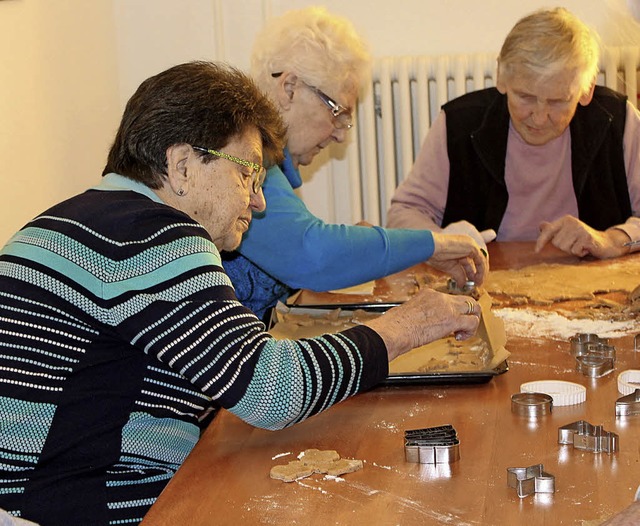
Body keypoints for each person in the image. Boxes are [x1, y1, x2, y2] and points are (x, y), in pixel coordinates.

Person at [0, 61, 482, 525]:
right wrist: (405, 327)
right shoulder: (152, 236)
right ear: (183, 165)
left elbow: (236, 368)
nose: (259, 199)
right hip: (72, 507)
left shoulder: (81, 220)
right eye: (247, 173)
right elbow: (274, 392)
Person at [222, 6, 487, 320]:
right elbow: (313, 255)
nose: (340, 135)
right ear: (289, 88)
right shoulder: (244, 161)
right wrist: (434, 245)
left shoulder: (269, 161)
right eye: (337, 112)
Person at [387, 7, 640, 260]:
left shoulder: (618, 121)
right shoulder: (459, 125)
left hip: (599, 286)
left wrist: (613, 240)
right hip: (488, 284)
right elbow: (405, 213)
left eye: (558, 101)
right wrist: (442, 243)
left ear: (587, 90)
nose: (540, 118)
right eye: (525, 97)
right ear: (501, 76)